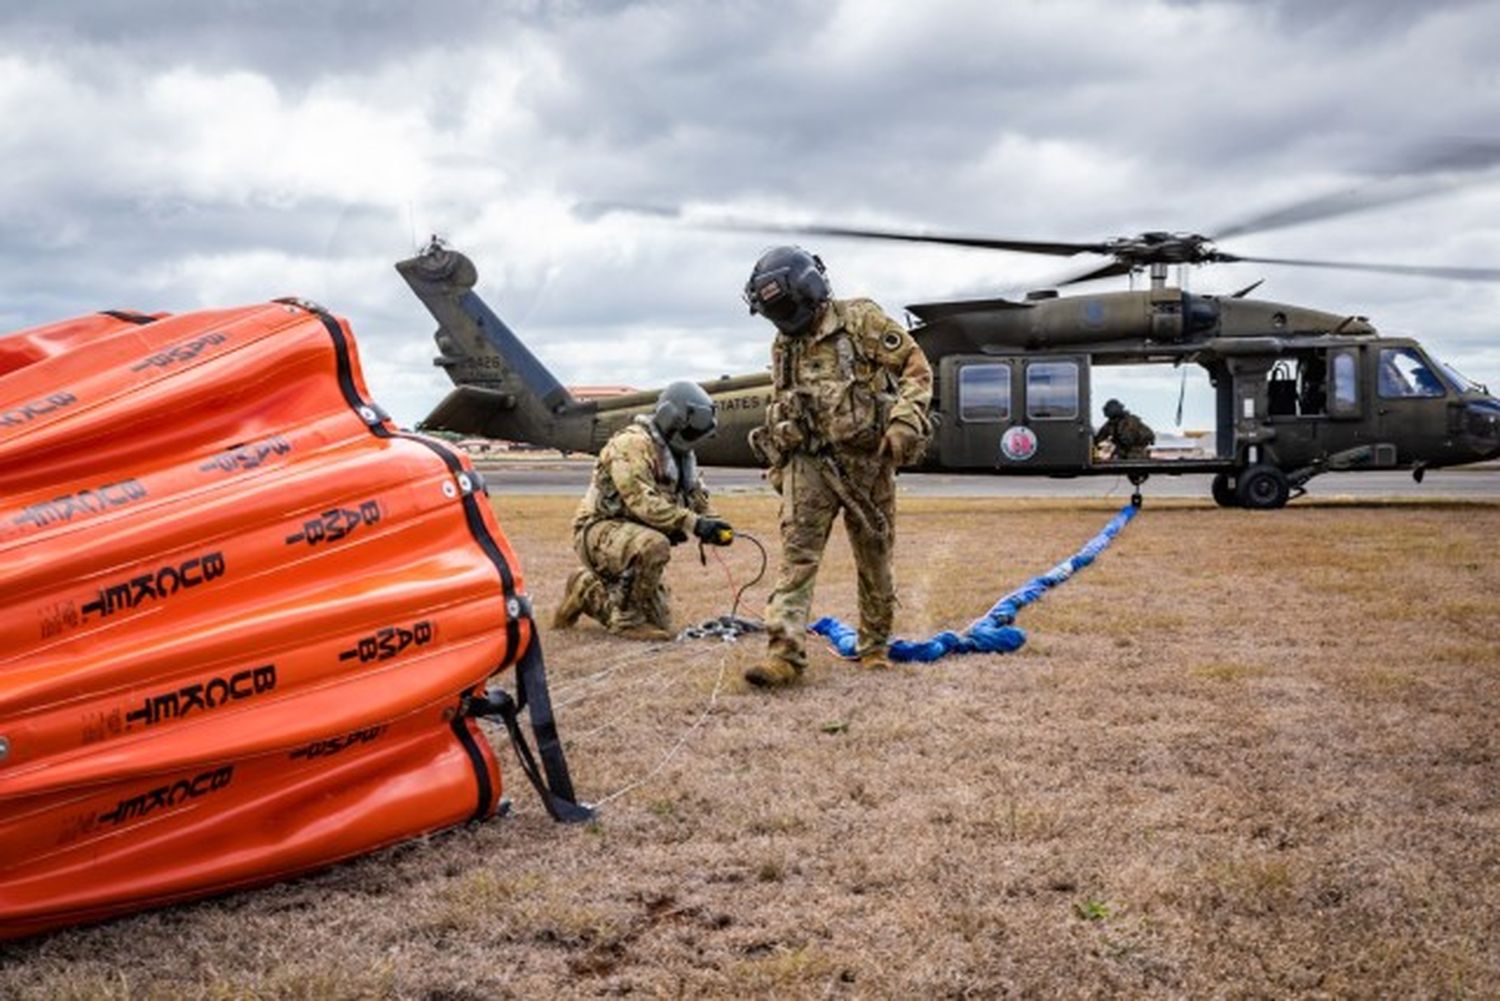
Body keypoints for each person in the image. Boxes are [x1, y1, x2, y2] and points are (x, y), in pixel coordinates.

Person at [742, 246, 932, 688]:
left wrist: (905, 420)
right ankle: (784, 655)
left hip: (868, 461)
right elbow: (782, 401)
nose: (783, 317)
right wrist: (780, 463)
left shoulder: (862, 320)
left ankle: (875, 646)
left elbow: (915, 367)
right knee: (797, 557)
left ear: (808, 291)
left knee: (875, 555)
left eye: (785, 306)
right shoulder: (783, 344)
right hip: (809, 462)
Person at [553, 381, 733, 641]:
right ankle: (626, 621)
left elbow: (696, 495)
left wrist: (713, 522)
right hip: (598, 530)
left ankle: (585, 591)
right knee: (654, 545)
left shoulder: (681, 455)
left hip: (634, 535)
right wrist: (694, 523)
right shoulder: (631, 444)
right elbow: (642, 502)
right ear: (672, 419)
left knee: (661, 621)